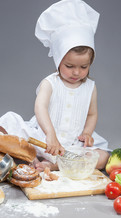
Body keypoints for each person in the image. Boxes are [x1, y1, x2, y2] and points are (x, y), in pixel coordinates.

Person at [0, 0, 111, 172]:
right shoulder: (50, 83)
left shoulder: (90, 87)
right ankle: (33, 157)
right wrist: (50, 134)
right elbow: (41, 107)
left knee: (103, 157)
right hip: (43, 138)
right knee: (8, 122)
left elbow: (92, 113)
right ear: (58, 60)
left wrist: (87, 133)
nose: (76, 73)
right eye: (69, 66)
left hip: (72, 144)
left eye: (84, 67)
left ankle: (54, 165)